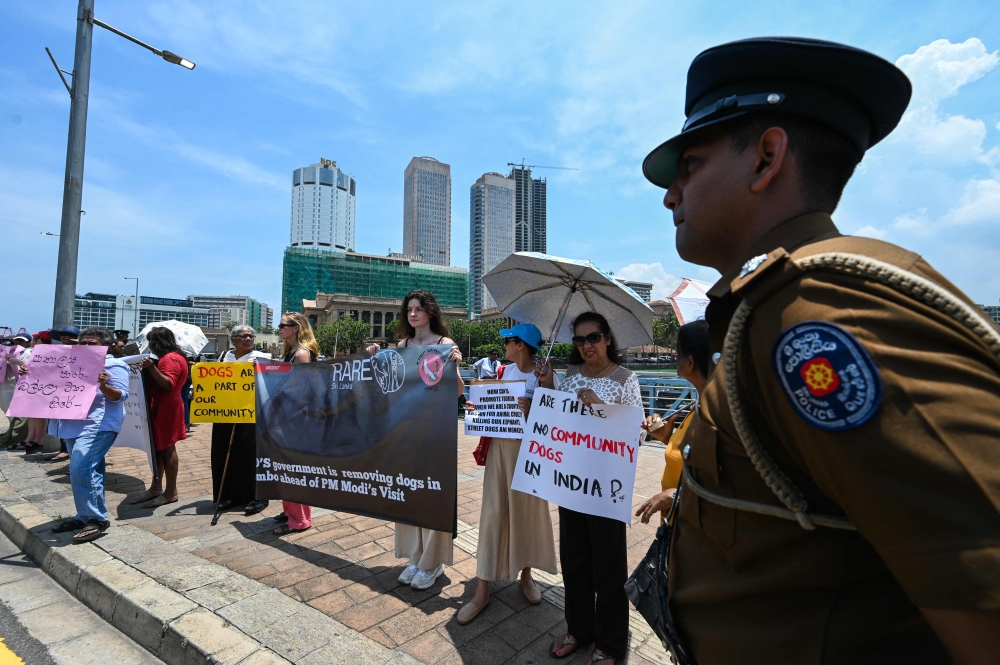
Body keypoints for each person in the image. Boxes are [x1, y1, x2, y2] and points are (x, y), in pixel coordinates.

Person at [641, 37, 1000, 665]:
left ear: (767, 158)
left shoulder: (823, 315)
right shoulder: (769, 308)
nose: (671, 194)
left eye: (689, 165)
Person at [538, 311, 641, 665]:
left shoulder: (626, 379)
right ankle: (578, 629)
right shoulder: (570, 376)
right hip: (572, 481)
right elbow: (558, 423)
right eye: (580, 340)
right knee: (575, 560)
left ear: (608, 339)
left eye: (593, 338)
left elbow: (636, 434)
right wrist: (546, 388)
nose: (587, 346)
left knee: (609, 566)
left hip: (608, 486)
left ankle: (610, 643)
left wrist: (600, 410)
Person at [458, 323, 558, 625]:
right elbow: (485, 409)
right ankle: (482, 587)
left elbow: (557, 419)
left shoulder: (545, 378)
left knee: (527, 513)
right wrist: (476, 407)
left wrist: (537, 404)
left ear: (522, 345)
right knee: (493, 513)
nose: (504, 345)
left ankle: (526, 574)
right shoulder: (503, 373)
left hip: (530, 455)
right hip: (501, 452)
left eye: (509, 341)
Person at [387, 290, 464, 591]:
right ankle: (415, 556)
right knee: (410, 492)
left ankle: (433, 560)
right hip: (408, 429)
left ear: (431, 312)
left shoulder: (446, 346)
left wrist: (455, 365)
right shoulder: (402, 346)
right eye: (409, 309)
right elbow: (394, 387)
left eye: (419, 309)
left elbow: (457, 391)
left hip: (436, 430)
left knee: (433, 493)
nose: (413, 314)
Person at [42, 328, 129, 542]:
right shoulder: (69, 363)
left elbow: (119, 396)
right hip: (73, 424)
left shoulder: (115, 365)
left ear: (105, 346)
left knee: (80, 467)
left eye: (93, 343)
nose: (87, 347)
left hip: (99, 424)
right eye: (84, 343)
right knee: (90, 470)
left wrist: (103, 385)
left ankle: (96, 519)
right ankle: (84, 516)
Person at [635, 319, 710, 525]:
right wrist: (668, 439)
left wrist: (675, 495)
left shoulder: (718, 415)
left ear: (690, 362)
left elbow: (729, 484)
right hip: (676, 527)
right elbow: (694, 457)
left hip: (696, 531)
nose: (675, 357)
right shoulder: (697, 407)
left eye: (678, 352)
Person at [213, 325, 270, 516]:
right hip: (225, 412)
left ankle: (257, 496)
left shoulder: (262, 358)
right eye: (243, 336)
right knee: (225, 452)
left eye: (250, 336)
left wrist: (261, 370)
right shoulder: (223, 357)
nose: (247, 339)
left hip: (251, 414)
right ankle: (230, 495)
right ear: (233, 340)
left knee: (250, 453)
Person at [272, 312, 320, 535]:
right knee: (285, 468)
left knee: (293, 469)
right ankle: (290, 510)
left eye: (284, 325)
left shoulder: (301, 354)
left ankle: (299, 519)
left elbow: (303, 392)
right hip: (287, 417)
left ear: (297, 328)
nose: (279, 328)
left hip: (297, 420)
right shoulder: (291, 352)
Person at [130, 327, 189, 508]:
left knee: (166, 448)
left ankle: (170, 492)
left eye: (151, 342)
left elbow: (168, 384)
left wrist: (151, 368)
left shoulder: (170, 358)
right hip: (163, 406)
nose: (150, 347)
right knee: (158, 449)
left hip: (167, 407)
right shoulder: (172, 357)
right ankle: (156, 487)